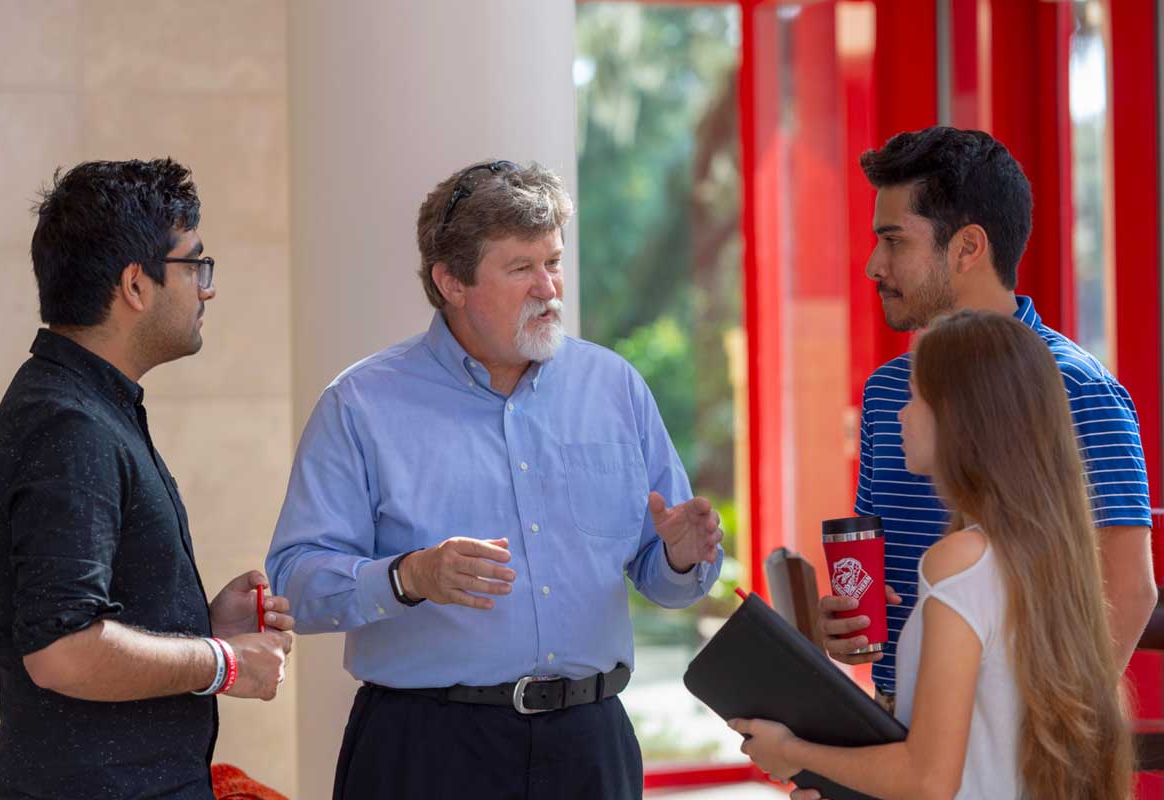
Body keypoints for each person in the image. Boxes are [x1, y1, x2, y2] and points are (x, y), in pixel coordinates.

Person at [266, 159, 724, 800]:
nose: (550, 289)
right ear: (450, 281)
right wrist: (409, 577)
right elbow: (294, 583)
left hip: (591, 748)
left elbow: (669, 582)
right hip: (426, 751)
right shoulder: (360, 404)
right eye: (522, 269)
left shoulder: (614, 387)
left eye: (554, 262)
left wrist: (678, 557)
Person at [0, 159, 294, 799]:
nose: (207, 288)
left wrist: (197, 626)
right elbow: (63, 648)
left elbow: (81, 627)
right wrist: (223, 663)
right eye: (194, 264)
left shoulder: (86, 404)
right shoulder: (70, 424)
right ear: (136, 286)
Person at [732, 309, 1134, 799]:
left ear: (963, 417)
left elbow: (928, 780)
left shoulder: (958, 563)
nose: (901, 412)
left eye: (917, 397)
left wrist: (793, 752)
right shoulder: (1050, 554)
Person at [819, 126, 1154, 701]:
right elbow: (875, 570)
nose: (874, 265)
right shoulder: (885, 393)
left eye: (894, 240)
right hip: (895, 729)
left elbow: (1128, 590)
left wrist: (1040, 737)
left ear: (969, 247)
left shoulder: (1077, 387)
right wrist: (845, 622)